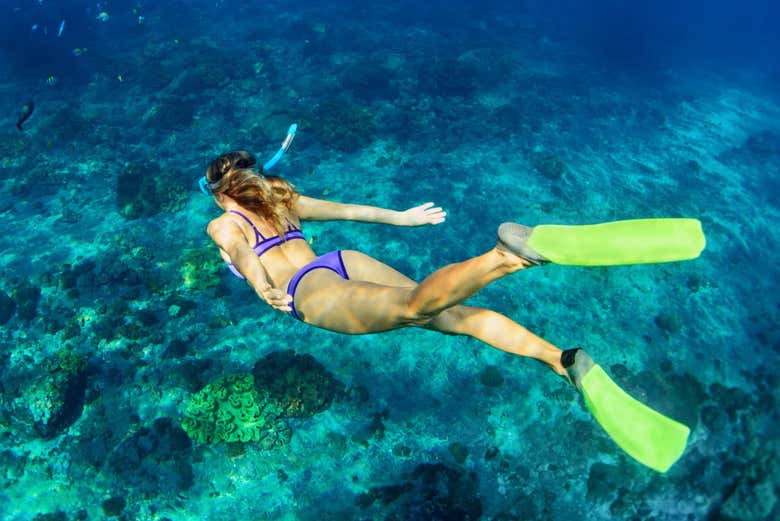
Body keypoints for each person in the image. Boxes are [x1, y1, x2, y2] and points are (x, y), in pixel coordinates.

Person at [203, 151, 569, 377]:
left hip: (307, 290)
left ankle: (503, 258)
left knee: (415, 307)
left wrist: (261, 286)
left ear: (220, 194)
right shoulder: (283, 201)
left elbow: (241, 252)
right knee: (451, 316)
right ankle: (559, 359)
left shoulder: (223, 223)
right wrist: (403, 218)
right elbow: (350, 211)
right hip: (343, 262)